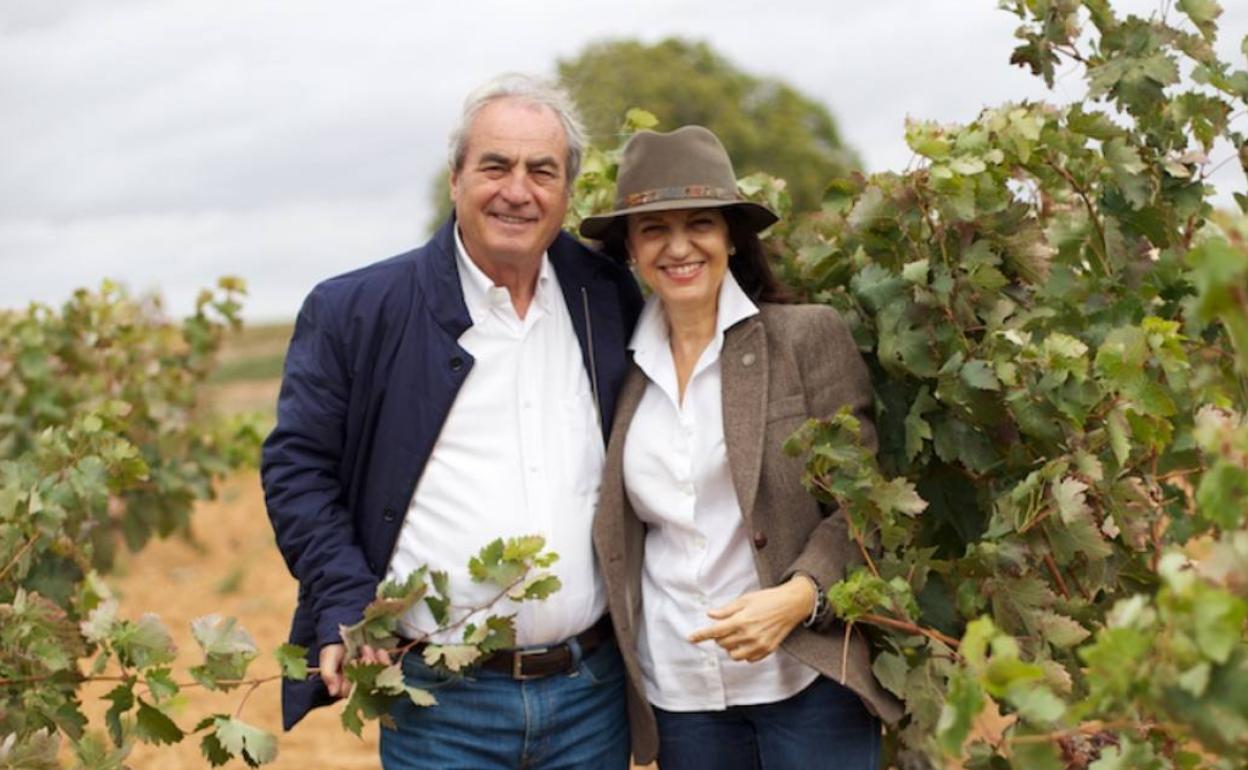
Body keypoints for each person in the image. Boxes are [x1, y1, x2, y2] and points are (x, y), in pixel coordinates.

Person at [261, 73, 643, 770]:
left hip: (592, 695)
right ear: (455, 178)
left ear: (566, 191)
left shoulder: (607, 297)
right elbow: (298, 469)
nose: (517, 190)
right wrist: (346, 596)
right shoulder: (357, 310)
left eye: (541, 171)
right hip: (440, 705)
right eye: (495, 165)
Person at [580, 126, 903, 770]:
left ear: (732, 235)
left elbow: (867, 505)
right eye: (653, 230)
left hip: (808, 683)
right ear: (630, 251)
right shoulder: (616, 368)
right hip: (680, 693)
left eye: (699, 222)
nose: (679, 247)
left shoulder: (806, 338)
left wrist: (801, 595)